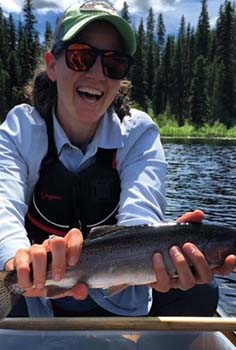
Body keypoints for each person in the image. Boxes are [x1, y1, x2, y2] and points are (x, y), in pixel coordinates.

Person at [0, 1, 235, 318]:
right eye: (81, 57)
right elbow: (4, 207)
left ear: (121, 77)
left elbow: (141, 215)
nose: (97, 73)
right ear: (52, 66)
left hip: (119, 296)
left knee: (201, 290)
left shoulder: (138, 132)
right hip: (36, 294)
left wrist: (168, 254)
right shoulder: (21, 128)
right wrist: (19, 263)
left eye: (114, 63)